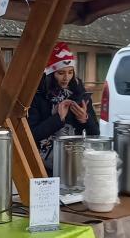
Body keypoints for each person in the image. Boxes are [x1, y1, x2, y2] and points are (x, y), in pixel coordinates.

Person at [28, 43, 99, 172]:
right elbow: (31, 135)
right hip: (43, 164)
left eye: (70, 72)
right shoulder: (37, 96)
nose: (66, 78)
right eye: (61, 73)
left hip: (74, 161)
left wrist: (85, 119)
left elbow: (95, 133)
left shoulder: (79, 94)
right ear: (50, 73)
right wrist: (57, 119)